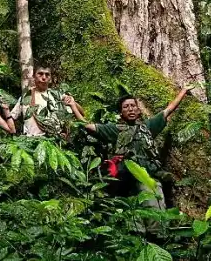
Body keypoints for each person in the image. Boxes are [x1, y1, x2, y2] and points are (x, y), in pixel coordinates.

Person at [68, 85, 194, 215]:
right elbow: (88, 125)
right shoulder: (115, 129)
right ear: (121, 113)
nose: (130, 109)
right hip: (126, 181)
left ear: (139, 110)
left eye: (133, 106)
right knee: (134, 217)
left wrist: (184, 90)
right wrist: (73, 106)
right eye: (126, 107)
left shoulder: (148, 127)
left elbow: (168, 110)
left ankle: (157, 234)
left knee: (156, 213)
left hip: (148, 177)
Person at [9, 64, 85, 137]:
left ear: (50, 79)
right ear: (33, 77)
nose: (44, 77)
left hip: (55, 142)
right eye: (40, 74)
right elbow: (12, 117)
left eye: (47, 75)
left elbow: (81, 113)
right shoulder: (26, 97)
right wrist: (5, 109)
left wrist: (72, 103)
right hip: (31, 142)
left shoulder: (58, 96)